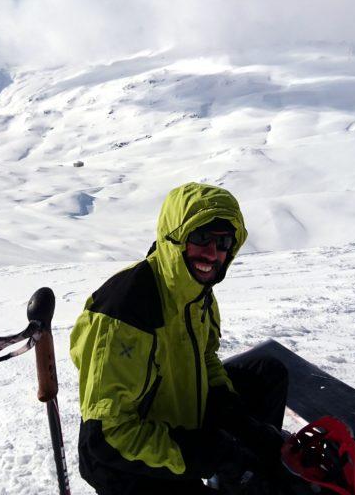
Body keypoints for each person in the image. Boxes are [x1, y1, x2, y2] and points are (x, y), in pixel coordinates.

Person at [70, 182, 291, 494]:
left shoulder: (195, 292)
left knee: (266, 373)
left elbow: (205, 357)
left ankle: (245, 472)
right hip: (125, 464)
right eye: (200, 238)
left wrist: (238, 418)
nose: (212, 253)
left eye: (223, 241)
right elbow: (108, 435)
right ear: (174, 238)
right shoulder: (125, 311)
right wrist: (205, 454)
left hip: (176, 416)